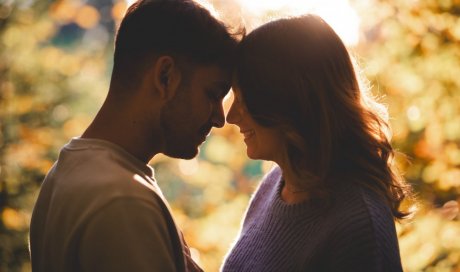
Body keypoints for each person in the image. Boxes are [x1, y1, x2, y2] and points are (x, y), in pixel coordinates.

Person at [29, 0, 239, 271]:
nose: (219, 119)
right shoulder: (124, 202)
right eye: (212, 94)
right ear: (165, 76)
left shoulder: (65, 172)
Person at [222, 14, 413, 272]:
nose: (231, 116)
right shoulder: (275, 184)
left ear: (284, 101)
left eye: (243, 99)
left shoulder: (358, 227)